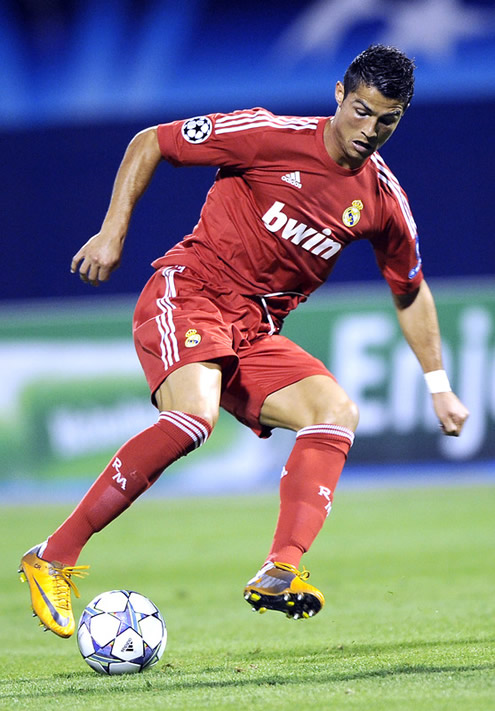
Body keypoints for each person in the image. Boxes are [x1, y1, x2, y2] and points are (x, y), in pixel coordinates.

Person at [19, 44, 469, 637]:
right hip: (192, 292)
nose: (370, 130)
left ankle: (281, 570)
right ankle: (53, 555)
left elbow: (409, 290)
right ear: (339, 93)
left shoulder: (383, 202)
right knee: (193, 419)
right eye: (361, 110)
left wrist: (438, 385)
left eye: (387, 120)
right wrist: (112, 231)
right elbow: (151, 141)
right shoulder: (265, 133)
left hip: (254, 334)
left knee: (335, 412)